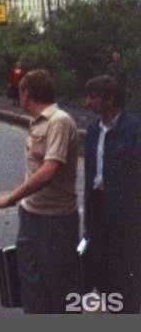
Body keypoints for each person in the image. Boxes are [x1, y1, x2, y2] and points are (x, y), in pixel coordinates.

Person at [0, 69, 81, 313]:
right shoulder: (36, 122)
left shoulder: (59, 121)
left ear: (26, 92)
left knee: (59, 289)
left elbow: (50, 170)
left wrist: (9, 198)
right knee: (31, 285)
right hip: (31, 215)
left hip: (55, 220)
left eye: (20, 90)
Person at [82, 74, 141, 313]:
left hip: (124, 208)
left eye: (93, 97)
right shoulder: (93, 129)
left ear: (110, 99)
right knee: (98, 262)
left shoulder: (133, 129)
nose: (88, 102)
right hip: (97, 203)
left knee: (125, 266)